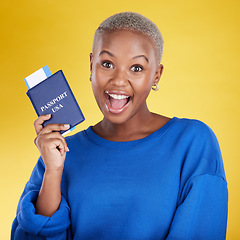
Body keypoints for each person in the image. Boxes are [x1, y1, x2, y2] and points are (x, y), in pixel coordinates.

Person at [11, 12, 228, 240]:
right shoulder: (60, 150)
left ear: (156, 75)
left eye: (136, 68)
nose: (119, 81)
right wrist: (53, 172)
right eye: (107, 64)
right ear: (91, 66)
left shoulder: (192, 143)